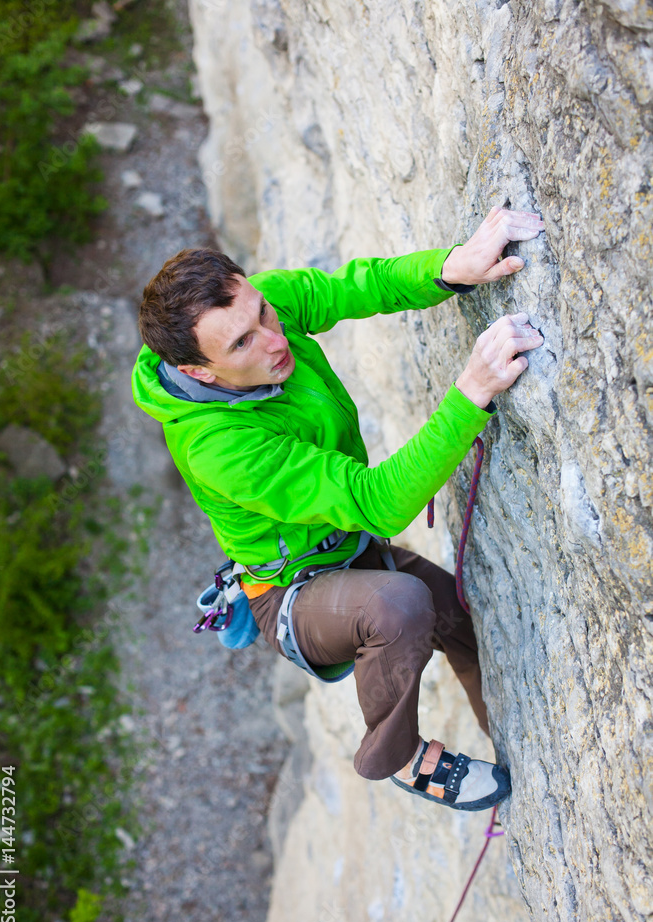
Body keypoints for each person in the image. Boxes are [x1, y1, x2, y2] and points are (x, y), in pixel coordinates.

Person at [132, 205, 545, 811]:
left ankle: (527, 766)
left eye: (264, 313)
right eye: (244, 342)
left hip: (347, 549)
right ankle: (397, 756)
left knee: (459, 617)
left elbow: (357, 285)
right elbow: (379, 504)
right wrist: (473, 392)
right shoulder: (220, 447)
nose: (274, 340)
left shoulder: (256, 308)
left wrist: (456, 266)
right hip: (292, 595)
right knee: (401, 603)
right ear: (201, 373)